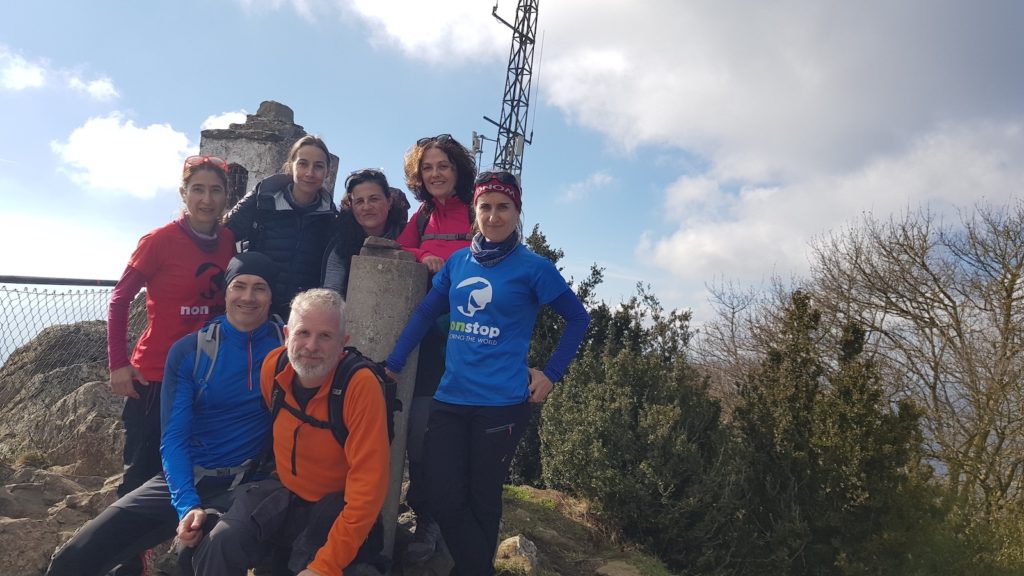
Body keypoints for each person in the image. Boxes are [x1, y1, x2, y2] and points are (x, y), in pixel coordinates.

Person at [385, 171, 591, 576]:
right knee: (443, 494)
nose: (493, 216)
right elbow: (428, 311)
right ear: (474, 214)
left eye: (503, 207)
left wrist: (550, 374)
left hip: (502, 405)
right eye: (485, 207)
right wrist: (394, 362)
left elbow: (578, 320)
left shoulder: (534, 268)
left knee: (483, 497)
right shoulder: (460, 262)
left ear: (517, 212)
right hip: (451, 397)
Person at [47, 252, 282, 576]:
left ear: (272, 296)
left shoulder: (288, 349)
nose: (248, 297)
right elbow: (173, 437)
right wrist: (186, 503)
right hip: (184, 478)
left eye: (260, 288)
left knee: (195, 555)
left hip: (244, 484)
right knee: (78, 555)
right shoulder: (191, 350)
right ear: (226, 291)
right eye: (239, 286)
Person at [192, 288, 390, 576]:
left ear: (342, 343)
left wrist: (325, 567)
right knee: (219, 541)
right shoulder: (274, 366)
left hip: (335, 505)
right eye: (303, 333)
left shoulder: (359, 386)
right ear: (287, 334)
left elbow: (368, 490)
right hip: (282, 491)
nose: (311, 346)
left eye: (325, 336)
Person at [107, 155, 235, 501]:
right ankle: (126, 554)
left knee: (188, 467)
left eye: (215, 191)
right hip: (156, 375)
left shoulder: (228, 242)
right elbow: (120, 299)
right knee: (141, 471)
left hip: (205, 375)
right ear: (183, 194)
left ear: (226, 196)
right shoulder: (158, 240)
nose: (206, 200)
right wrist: (118, 364)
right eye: (198, 190)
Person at [396, 134, 477, 561]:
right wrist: (421, 257)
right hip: (429, 337)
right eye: (428, 167)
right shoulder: (423, 215)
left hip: (467, 338)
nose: (435, 174)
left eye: (443, 165)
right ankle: (426, 516)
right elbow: (400, 249)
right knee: (422, 430)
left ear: (458, 169)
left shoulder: (477, 211)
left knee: (456, 432)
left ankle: (449, 521)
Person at [225, 135, 338, 320]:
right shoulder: (261, 201)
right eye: (303, 164)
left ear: (327, 172)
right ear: (291, 166)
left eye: (318, 166)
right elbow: (225, 233)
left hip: (301, 317)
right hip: (255, 311)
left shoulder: (332, 219)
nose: (310, 173)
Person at [322, 168, 409, 296]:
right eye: (359, 201)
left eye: (374, 199)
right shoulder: (341, 244)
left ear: (389, 202)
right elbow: (331, 293)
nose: (367, 207)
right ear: (352, 207)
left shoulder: (408, 235)